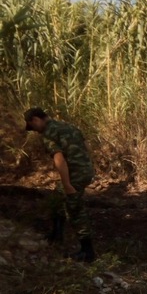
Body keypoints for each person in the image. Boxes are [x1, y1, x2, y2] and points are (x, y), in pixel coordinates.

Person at [24, 107, 96, 262]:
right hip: (86, 170)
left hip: (75, 174)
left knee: (74, 209)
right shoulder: (68, 126)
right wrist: (86, 167)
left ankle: (87, 251)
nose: (35, 131)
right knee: (57, 198)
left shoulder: (49, 133)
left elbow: (59, 160)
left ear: (36, 119)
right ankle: (57, 235)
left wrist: (67, 184)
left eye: (33, 126)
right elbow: (87, 147)